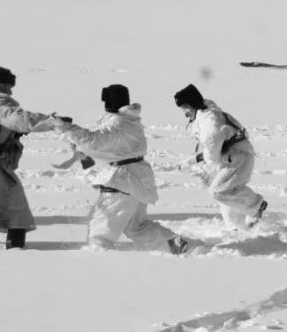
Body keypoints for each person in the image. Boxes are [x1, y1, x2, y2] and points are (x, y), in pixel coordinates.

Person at [51, 85, 188, 253]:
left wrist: (66, 128)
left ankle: (97, 263)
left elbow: (93, 141)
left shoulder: (119, 122)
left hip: (122, 180)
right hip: (137, 178)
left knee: (100, 232)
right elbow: (109, 147)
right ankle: (174, 243)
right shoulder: (129, 120)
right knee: (137, 227)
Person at [175, 84, 268, 230]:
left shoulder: (209, 119)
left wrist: (210, 160)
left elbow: (212, 143)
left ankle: (256, 205)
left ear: (192, 105)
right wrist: (195, 160)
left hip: (238, 156)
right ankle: (236, 227)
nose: (185, 113)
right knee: (226, 194)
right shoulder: (205, 116)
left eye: (185, 108)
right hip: (233, 156)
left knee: (219, 190)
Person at [0, 67, 54, 249]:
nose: (11, 91)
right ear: (0, 84)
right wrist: (51, 121)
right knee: (16, 207)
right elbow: (16, 119)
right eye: (9, 87)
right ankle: (16, 250)